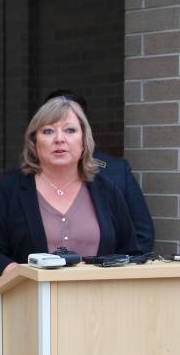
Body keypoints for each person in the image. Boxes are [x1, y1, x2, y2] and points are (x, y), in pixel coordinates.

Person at [0, 96, 139, 280]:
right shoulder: (8, 190)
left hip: (98, 303)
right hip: (32, 302)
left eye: (70, 130)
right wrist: (24, 277)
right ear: (34, 143)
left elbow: (130, 253)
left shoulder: (107, 191)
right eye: (48, 131)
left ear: (84, 141)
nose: (59, 139)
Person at [45, 89, 154, 253]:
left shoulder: (115, 172)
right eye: (50, 128)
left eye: (70, 127)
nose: (60, 137)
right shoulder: (21, 182)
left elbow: (142, 235)